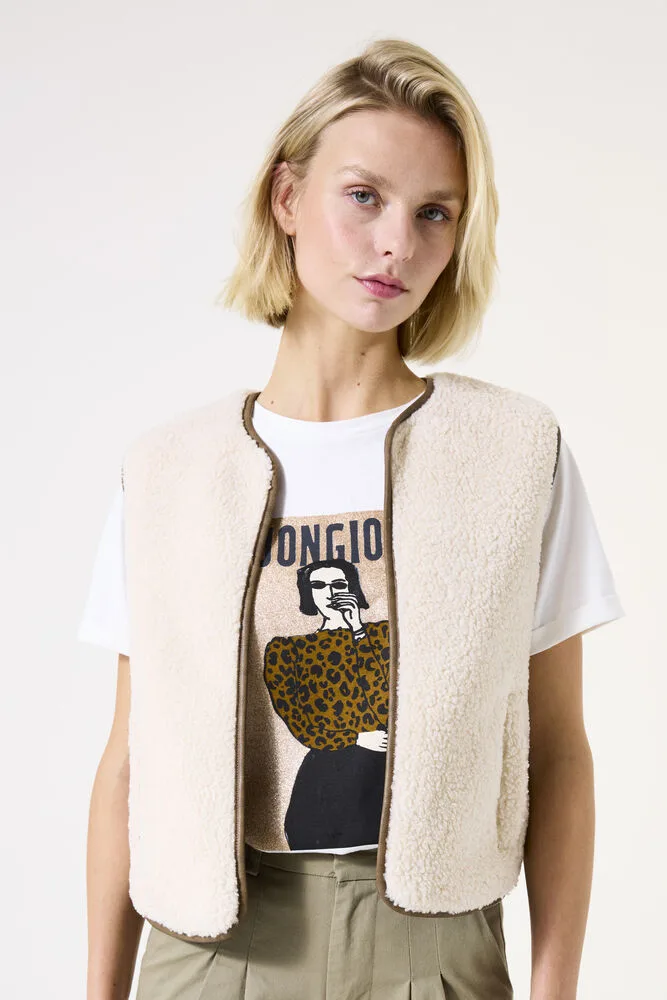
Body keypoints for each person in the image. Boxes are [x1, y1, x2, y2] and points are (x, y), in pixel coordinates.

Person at [79, 37, 625, 1000]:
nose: (395, 245)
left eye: (433, 213)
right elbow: (129, 763)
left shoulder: (511, 452)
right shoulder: (169, 471)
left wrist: (555, 989)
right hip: (210, 956)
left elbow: (559, 751)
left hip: (433, 951)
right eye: (363, 196)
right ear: (287, 198)